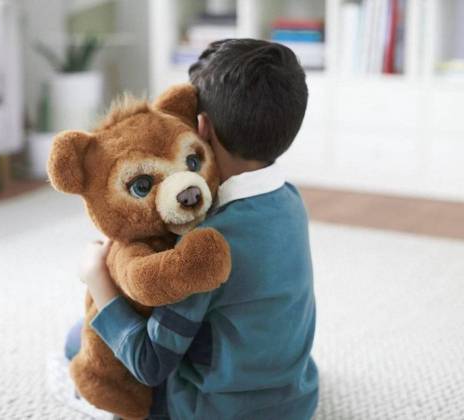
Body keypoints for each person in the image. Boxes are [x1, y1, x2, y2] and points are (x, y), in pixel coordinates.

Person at [77, 39, 318, 419]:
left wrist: (98, 280)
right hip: (296, 403)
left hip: (212, 411)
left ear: (200, 126)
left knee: (77, 341)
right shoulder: (291, 199)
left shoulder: (204, 244)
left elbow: (149, 363)